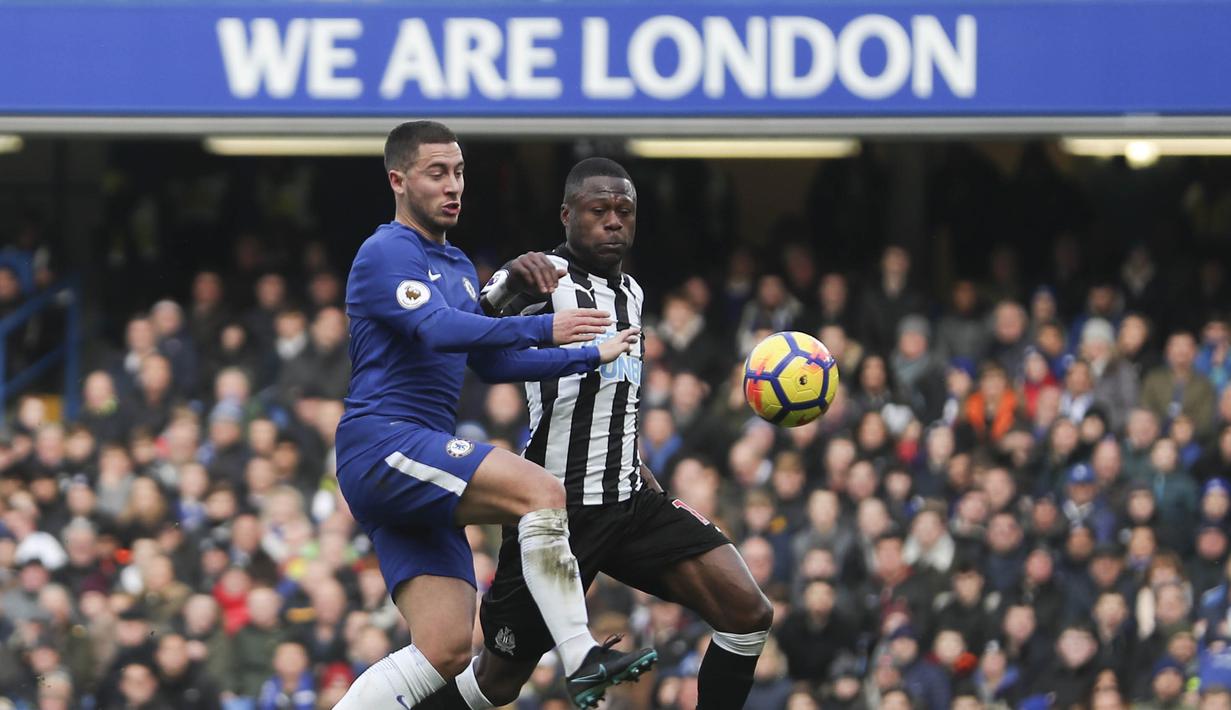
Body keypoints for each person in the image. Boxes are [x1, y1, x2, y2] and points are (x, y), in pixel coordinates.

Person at [421, 158, 773, 710]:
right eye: (598, 210)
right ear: (567, 216)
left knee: (749, 613)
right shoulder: (541, 279)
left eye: (624, 212)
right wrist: (509, 280)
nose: (613, 222)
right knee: (498, 681)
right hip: (554, 512)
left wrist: (645, 477)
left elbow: (619, 402)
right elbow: (468, 327)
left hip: (632, 503)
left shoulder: (632, 292)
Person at [332, 123, 653, 709]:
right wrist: (543, 324)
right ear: (398, 181)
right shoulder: (386, 251)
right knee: (540, 490)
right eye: (437, 173)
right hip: (383, 445)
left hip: (414, 457)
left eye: (458, 173)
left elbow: (491, 362)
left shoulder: (455, 266)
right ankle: (580, 654)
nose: (453, 186)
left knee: (448, 645)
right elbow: (438, 328)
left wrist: (585, 354)